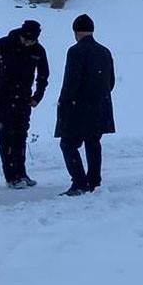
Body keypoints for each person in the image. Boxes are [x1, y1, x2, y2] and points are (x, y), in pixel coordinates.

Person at [55, 13, 115, 197]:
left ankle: (79, 182)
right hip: (100, 105)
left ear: (76, 31)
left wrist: (64, 102)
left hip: (78, 107)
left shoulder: (75, 51)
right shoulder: (104, 51)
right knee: (93, 142)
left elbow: (71, 81)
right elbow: (111, 82)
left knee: (68, 144)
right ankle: (94, 180)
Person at [0, 19, 50, 189]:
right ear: (21, 34)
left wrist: (38, 96)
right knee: (5, 135)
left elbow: (43, 75)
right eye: (26, 39)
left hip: (23, 98)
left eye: (31, 41)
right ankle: (11, 176)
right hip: (1, 98)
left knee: (20, 135)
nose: (27, 43)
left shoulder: (37, 50)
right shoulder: (3, 45)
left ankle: (21, 172)